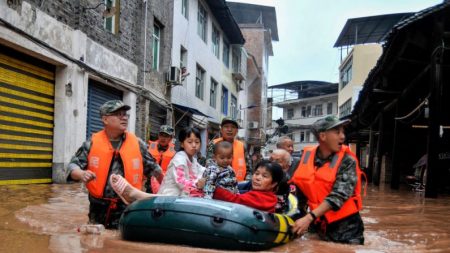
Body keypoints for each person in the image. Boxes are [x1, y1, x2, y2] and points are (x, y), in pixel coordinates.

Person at [67, 100, 163, 229]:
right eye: (118, 114)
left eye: (125, 114)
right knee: (94, 244)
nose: (124, 117)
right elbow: (72, 166)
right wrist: (81, 174)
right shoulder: (91, 143)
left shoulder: (137, 144)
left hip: (127, 206)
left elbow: (155, 170)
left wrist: (170, 191)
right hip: (98, 207)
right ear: (105, 119)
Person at [290, 115, 365, 245]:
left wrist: (308, 218)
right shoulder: (306, 158)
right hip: (318, 225)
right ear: (323, 136)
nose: (343, 136)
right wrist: (297, 217)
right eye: (337, 132)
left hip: (347, 229)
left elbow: (338, 196)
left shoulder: (347, 161)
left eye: (343, 132)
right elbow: (300, 192)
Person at [110, 160, 284, 213]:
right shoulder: (260, 194)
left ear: (274, 183)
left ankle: (135, 195)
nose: (258, 178)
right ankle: (136, 196)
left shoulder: (263, 198)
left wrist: (210, 186)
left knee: (177, 200)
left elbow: (236, 200)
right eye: (257, 173)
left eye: (264, 176)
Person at [157, 127, 205, 197]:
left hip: (182, 199)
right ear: (182, 144)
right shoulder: (179, 159)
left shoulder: (194, 161)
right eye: (190, 142)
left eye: (197, 142)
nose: (194, 145)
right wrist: (197, 183)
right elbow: (180, 181)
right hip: (169, 198)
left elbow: (203, 171)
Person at [206, 117, 252, 182]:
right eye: (226, 126)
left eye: (233, 127)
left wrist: (247, 182)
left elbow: (249, 169)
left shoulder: (242, 146)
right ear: (221, 130)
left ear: (237, 131)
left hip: (239, 187)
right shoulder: (213, 144)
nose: (229, 129)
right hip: (218, 186)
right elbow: (208, 165)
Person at [146, 125, 176, 193]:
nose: (163, 138)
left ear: (171, 138)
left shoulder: (174, 154)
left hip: (165, 185)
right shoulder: (148, 148)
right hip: (149, 184)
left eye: (166, 136)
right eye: (161, 135)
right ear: (158, 136)